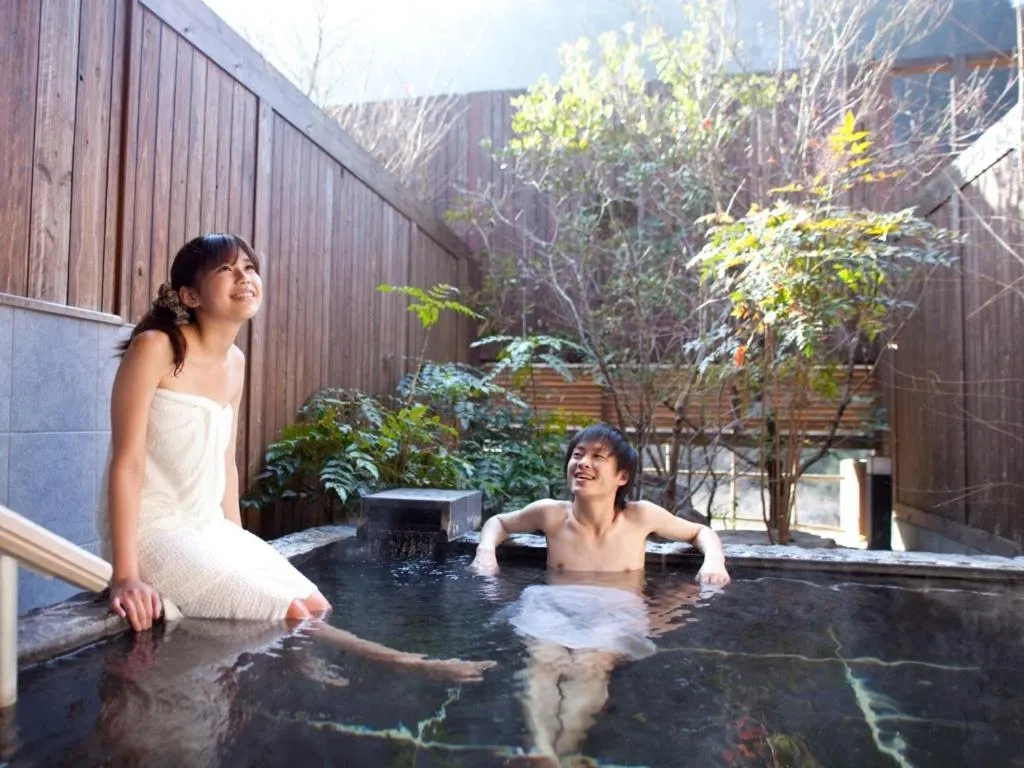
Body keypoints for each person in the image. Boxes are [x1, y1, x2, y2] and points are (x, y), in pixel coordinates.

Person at [97, 233, 492, 682]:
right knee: (290, 613)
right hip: (155, 530)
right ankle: (408, 665)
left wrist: (239, 544)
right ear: (190, 295)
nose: (243, 278)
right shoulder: (156, 348)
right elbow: (126, 463)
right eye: (226, 270)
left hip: (208, 529)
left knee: (316, 604)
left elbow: (225, 462)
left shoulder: (236, 362)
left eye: (249, 268)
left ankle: (307, 675)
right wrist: (125, 574)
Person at [470, 422, 731, 584]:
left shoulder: (640, 517)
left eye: (597, 456)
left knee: (589, 666)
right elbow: (498, 522)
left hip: (616, 614)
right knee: (542, 668)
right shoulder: (551, 515)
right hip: (557, 608)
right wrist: (485, 552)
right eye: (578, 454)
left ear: (622, 476)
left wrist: (714, 561)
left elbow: (701, 532)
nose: (583, 462)